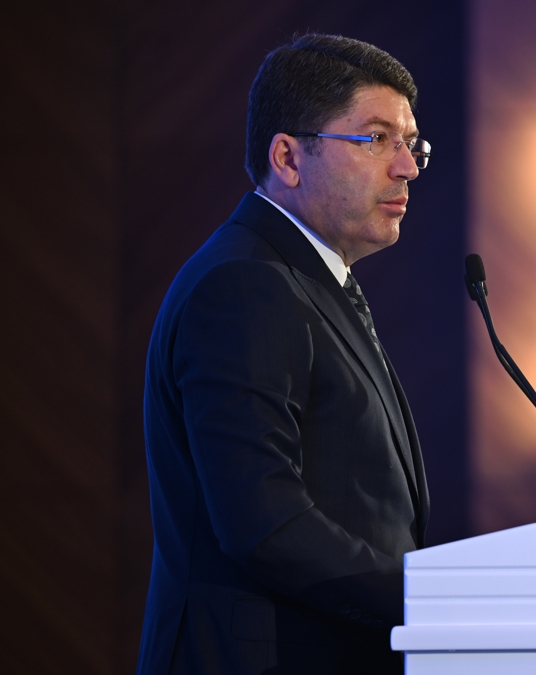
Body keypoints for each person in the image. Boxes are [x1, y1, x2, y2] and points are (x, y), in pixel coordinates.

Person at [136, 33, 432, 674]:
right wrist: (430, 599)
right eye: (376, 139)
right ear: (289, 158)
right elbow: (264, 521)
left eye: (411, 143)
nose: (406, 167)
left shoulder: (304, 280)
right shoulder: (244, 285)